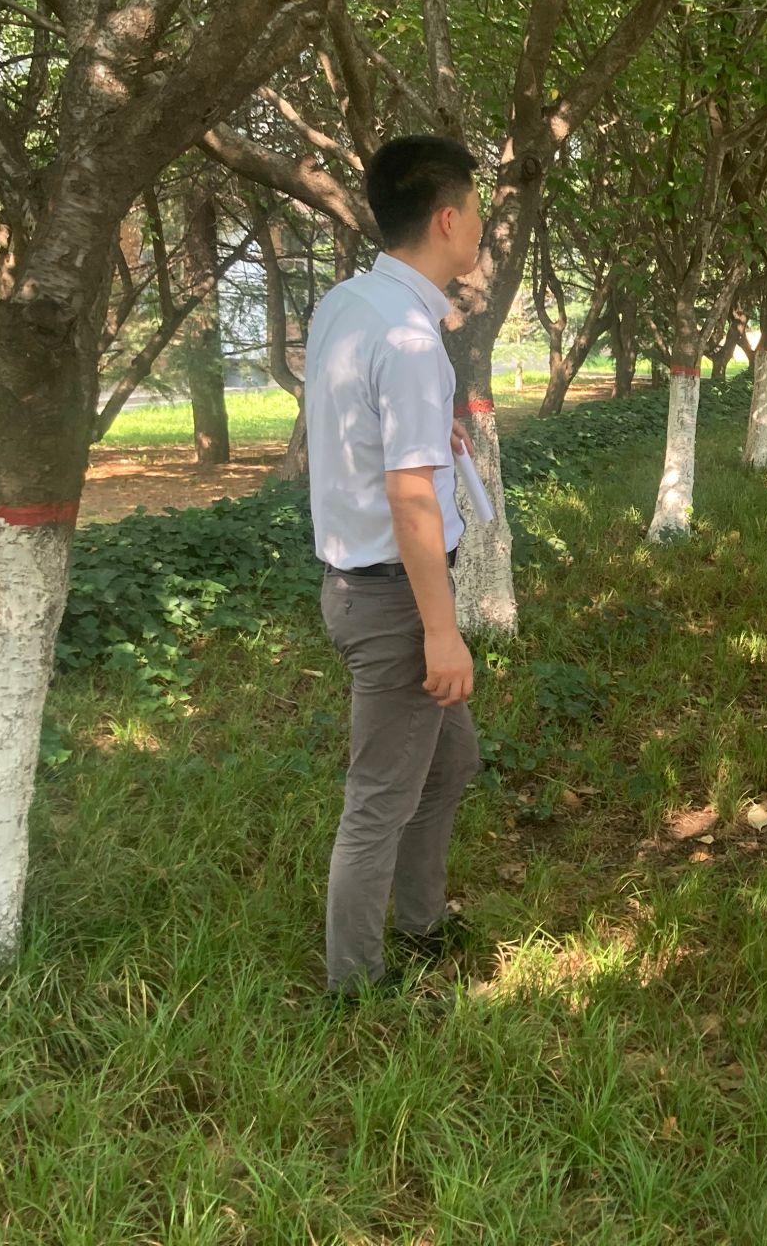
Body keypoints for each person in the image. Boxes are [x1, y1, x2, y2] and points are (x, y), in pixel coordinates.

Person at [305, 135, 486, 994]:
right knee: (379, 797)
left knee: (450, 765)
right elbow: (412, 500)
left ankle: (420, 922)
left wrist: (426, 428)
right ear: (446, 219)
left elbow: (352, 420)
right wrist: (441, 632)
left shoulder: (350, 302)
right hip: (397, 601)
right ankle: (355, 986)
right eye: (476, 212)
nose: (480, 228)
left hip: (359, 585)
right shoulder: (411, 341)